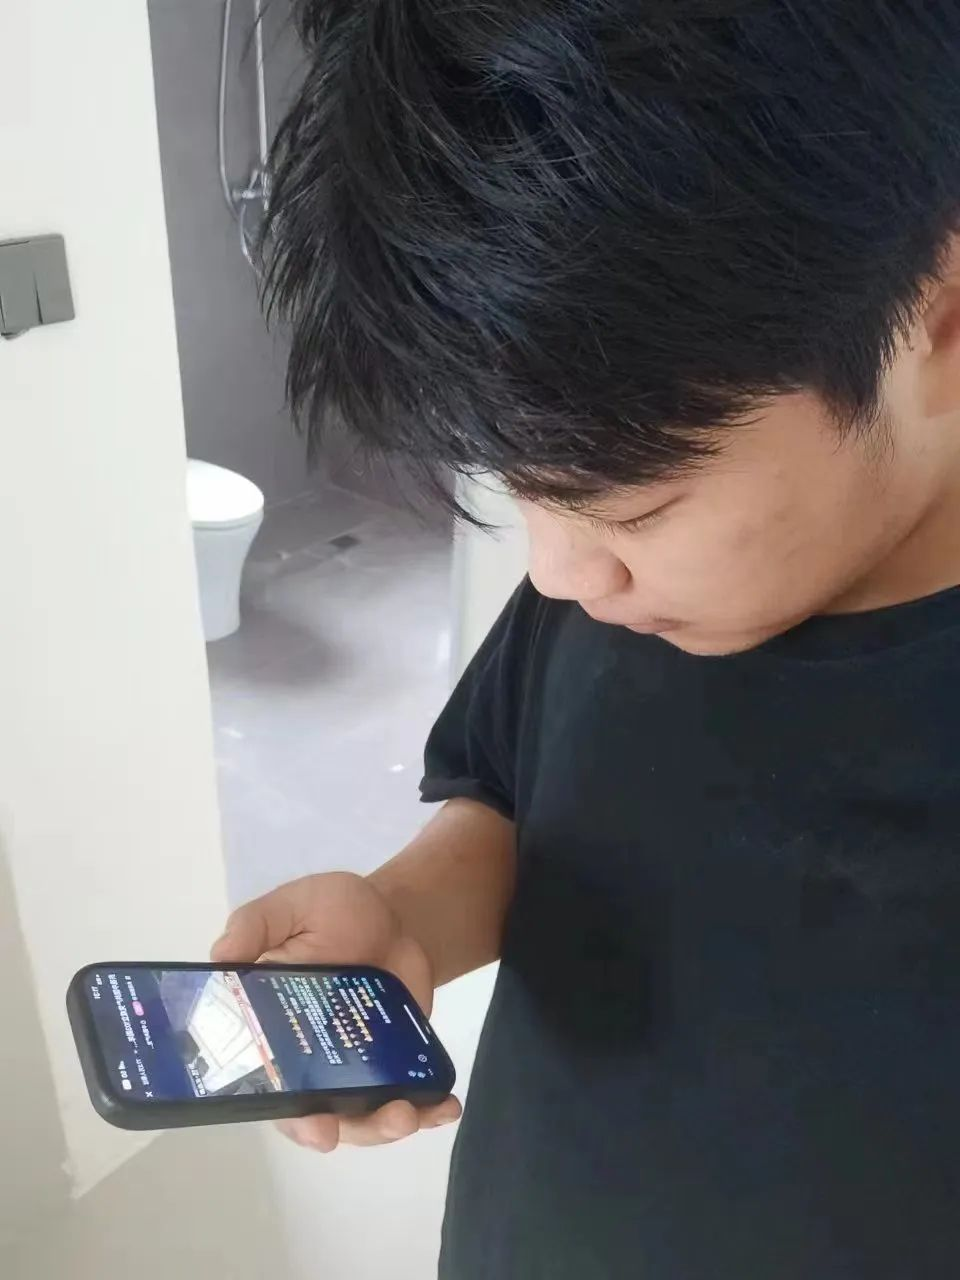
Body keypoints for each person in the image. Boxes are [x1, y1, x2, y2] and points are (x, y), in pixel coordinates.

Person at [212, 3, 960, 1275]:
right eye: (521, 488)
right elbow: (519, 802)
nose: (560, 569)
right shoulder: (614, 592)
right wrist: (399, 920)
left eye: (639, 506)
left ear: (936, 318)